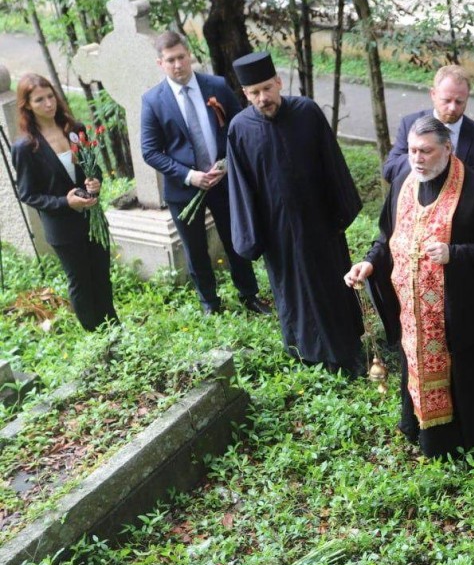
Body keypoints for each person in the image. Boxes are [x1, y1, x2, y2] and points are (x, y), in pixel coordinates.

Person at [345, 117, 474, 458]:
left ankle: (470, 444)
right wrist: (370, 262)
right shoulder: (404, 183)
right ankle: (424, 435)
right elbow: (387, 236)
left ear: (447, 149)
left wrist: (456, 254)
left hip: (459, 316)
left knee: (465, 378)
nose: (417, 158)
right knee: (416, 365)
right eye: (412, 150)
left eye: (426, 151)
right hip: (415, 315)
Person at [226, 51, 365, 376]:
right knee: (294, 293)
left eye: (266, 89)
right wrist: (253, 235)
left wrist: (340, 210)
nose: (263, 98)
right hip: (279, 234)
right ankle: (309, 354)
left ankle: (347, 349)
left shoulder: (307, 112)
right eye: (254, 93)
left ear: (278, 82)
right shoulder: (240, 129)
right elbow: (241, 188)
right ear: (245, 94)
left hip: (321, 223)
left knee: (333, 285)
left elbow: (331, 161)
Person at [140, 31, 271, 316]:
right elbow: (150, 151)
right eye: (170, 60)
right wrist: (190, 175)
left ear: (189, 56)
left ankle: (249, 294)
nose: (178, 65)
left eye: (181, 57)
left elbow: (239, 126)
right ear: (160, 63)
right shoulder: (153, 101)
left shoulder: (216, 86)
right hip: (184, 189)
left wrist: (226, 164)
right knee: (195, 248)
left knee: (235, 239)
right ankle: (210, 303)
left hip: (223, 181)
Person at [12, 74, 118, 331]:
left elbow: (93, 169)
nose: (49, 103)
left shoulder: (75, 129)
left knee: (102, 277)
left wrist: (95, 183)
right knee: (81, 282)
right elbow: (27, 193)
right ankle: (97, 336)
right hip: (63, 228)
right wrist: (64, 202)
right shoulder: (26, 147)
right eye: (40, 100)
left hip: (92, 219)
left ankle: (115, 330)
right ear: (27, 106)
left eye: (50, 96)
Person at [382, 65, 474, 197]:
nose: (452, 108)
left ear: (467, 98)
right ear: (433, 94)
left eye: (459, 102)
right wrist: (420, 161)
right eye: (447, 100)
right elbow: (389, 170)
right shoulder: (410, 124)